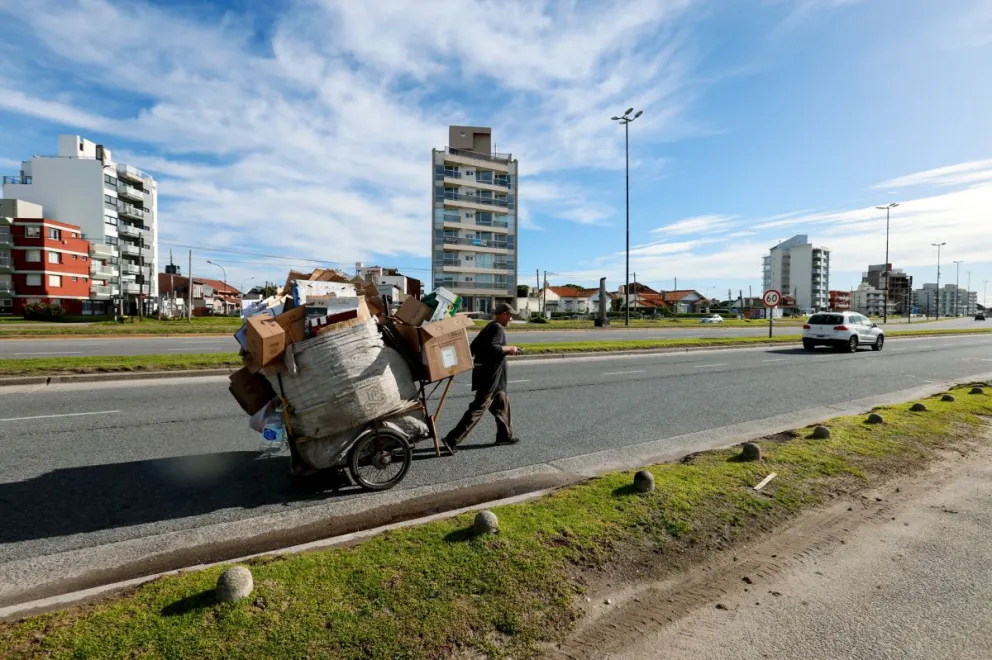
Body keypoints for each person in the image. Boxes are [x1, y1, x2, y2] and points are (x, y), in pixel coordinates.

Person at [442, 302, 521, 452]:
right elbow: (493, 348)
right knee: (478, 409)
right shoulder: (497, 328)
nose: (511, 319)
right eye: (510, 315)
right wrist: (510, 349)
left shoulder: (489, 327)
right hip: (489, 378)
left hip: (493, 379)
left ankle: (505, 436)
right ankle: (451, 440)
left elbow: (474, 348)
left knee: (502, 404)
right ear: (503, 314)